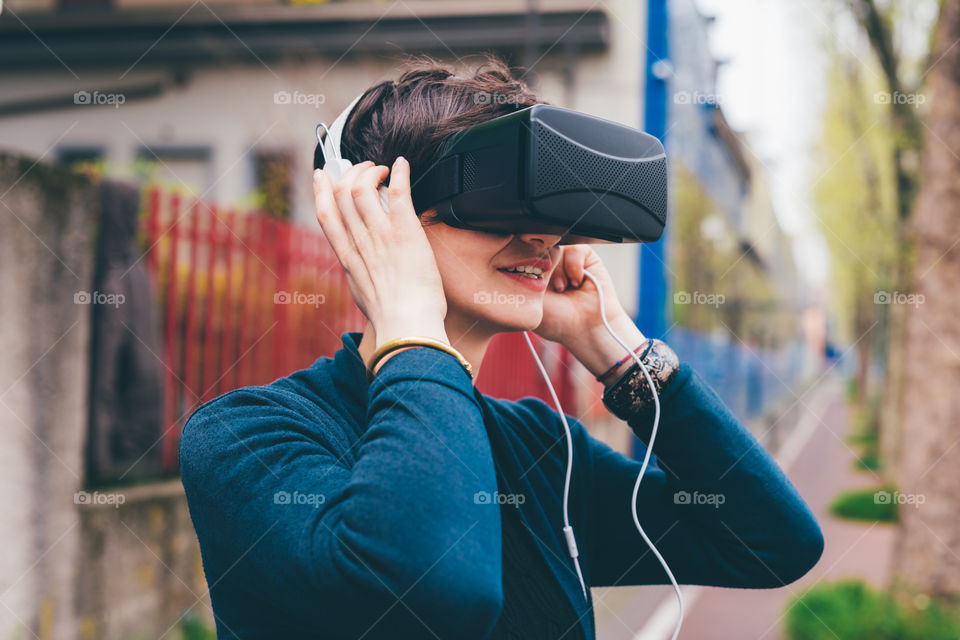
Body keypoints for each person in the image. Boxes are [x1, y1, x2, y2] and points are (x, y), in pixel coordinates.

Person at [179, 54, 824, 640]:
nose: (540, 239)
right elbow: (435, 588)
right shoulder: (248, 438)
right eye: (498, 204)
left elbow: (769, 542)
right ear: (378, 212)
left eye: (548, 209)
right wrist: (412, 323)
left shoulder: (543, 452)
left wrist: (614, 348)